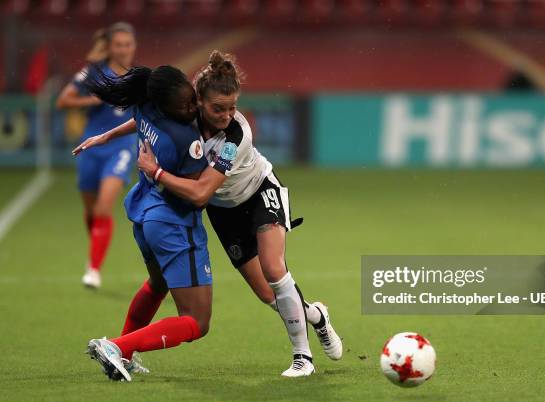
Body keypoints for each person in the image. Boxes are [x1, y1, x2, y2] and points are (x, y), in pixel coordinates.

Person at [78, 51, 343, 377]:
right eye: (218, 108)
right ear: (198, 101)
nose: (227, 115)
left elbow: (202, 191)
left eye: (232, 107)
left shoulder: (235, 135)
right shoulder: (186, 114)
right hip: (224, 210)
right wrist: (109, 135)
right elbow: (147, 120)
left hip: (259, 192)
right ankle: (316, 316)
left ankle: (303, 358)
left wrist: (156, 171)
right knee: (265, 294)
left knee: (274, 270)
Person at [74, 64, 224, 381]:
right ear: (166, 105)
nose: (192, 108)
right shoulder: (186, 139)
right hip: (174, 224)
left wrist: (108, 135)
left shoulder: (146, 107)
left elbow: (138, 121)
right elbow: (199, 194)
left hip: (145, 214)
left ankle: (123, 354)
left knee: (158, 284)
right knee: (197, 320)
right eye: (185, 105)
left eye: (193, 100)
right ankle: (114, 346)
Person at [56, 22, 138, 289]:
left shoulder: (138, 78)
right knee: (91, 212)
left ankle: (93, 269)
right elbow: (63, 100)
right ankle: (96, 250)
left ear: (133, 46)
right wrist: (92, 101)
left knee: (104, 207)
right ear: (110, 47)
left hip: (122, 147)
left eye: (128, 44)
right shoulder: (92, 73)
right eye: (119, 45)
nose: (124, 50)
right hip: (90, 146)